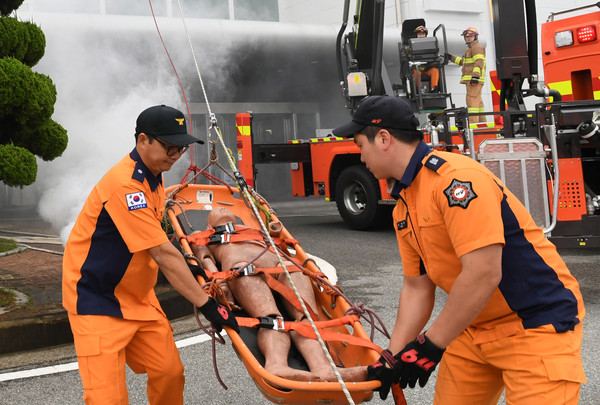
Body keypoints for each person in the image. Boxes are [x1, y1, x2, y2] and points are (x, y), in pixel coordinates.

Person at [331, 95, 586, 404]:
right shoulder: (404, 204)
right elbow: (417, 288)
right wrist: (391, 358)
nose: (360, 158)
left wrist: (431, 345)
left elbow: (483, 272)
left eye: (360, 145)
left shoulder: (456, 181)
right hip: (474, 325)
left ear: (383, 138)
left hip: (535, 324)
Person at [62, 105, 239, 405]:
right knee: (108, 399)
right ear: (143, 140)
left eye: (181, 148)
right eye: (169, 147)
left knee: (169, 373)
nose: (176, 155)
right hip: (97, 300)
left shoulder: (154, 176)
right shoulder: (125, 186)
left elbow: (155, 233)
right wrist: (206, 304)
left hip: (138, 297)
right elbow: (162, 253)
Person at [189, 207, 368, 382]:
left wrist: (275, 232)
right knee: (272, 320)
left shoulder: (252, 228)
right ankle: (276, 364)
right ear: (208, 224)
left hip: (281, 265)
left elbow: (277, 245)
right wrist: (223, 286)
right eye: (216, 211)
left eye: (224, 208)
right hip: (242, 267)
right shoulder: (204, 235)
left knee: (307, 318)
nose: (221, 209)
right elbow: (204, 259)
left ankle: (323, 369)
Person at [446, 27, 486, 122]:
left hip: (474, 79)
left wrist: (475, 76)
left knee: (471, 101)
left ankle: (473, 124)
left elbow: (479, 62)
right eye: (466, 37)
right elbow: (464, 62)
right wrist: (451, 58)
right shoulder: (470, 48)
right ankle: (482, 124)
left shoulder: (476, 47)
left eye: (470, 36)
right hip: (473, 79)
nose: (468, 38)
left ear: (475, 37)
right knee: (478, 102)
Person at [412, 25, 440, 92]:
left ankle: (434, 88)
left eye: (423, 33)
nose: (421, 35)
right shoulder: (412, 45)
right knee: (416, 72)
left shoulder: (431, 45)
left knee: (435, 70)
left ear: (425, 34)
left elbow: (434, 55)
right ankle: (419, 89)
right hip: (417, 68)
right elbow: (409, 55)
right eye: (419, 33)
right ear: (416, 34)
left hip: (427, 68)